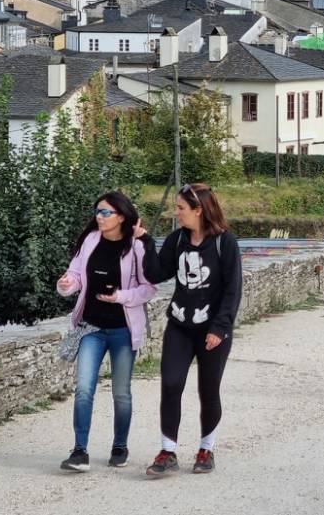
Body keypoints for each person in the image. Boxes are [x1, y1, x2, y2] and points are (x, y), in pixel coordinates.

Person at [141, 183, 243, 477]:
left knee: (208, 390)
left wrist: (220, 328)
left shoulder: (225, 242)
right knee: (171, 384)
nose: (177, 213)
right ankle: (167, 450)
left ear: (199, 210)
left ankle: (206, 449)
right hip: (180, 325)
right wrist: (146, 240)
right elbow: (156, 273)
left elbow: (233, 290)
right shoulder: (177, 240)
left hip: (213, 331)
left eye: (181, 208)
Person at [56, 191, 158, 472]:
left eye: (105, 213)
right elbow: (75, 275)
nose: (99, 217)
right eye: (97, 212)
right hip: (91, 327)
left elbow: (149, 288)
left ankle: (120, 446)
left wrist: (121, 297)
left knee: (121, 392)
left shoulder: (135, 247)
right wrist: (67, 284)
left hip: (123, 331)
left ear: (122, 216)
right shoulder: (90, 241)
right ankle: (79, 451)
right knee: (84, 389)